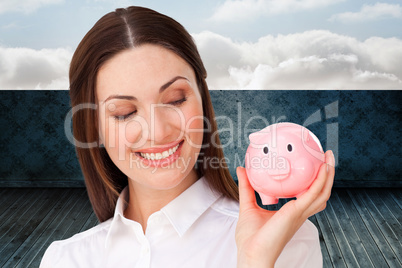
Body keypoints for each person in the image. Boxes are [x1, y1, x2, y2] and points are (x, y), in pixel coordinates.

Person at [40, 6, 335, 268]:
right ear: (95, 129)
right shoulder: (65, 259)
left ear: (202, 100)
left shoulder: (285, 240)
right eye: (125, 112)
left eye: (176, 99)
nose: (158, 131)